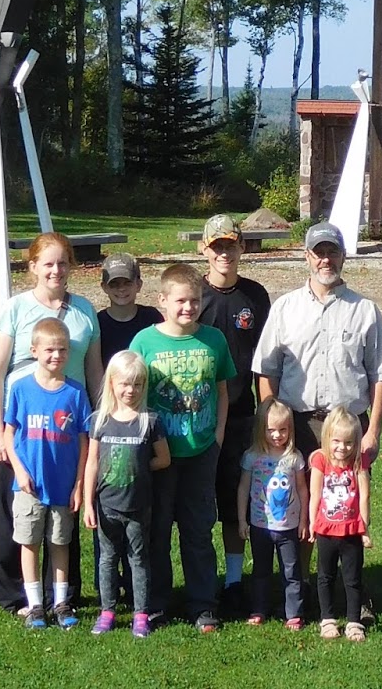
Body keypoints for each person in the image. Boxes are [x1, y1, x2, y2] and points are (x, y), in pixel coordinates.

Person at [0, 231, 102, 612]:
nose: (56, 270)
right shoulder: (16, 309)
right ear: (33, 266)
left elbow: (94, 371)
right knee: (16, 512)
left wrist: (101, 423)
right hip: (20, 425)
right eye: (48, 263)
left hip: (69, 427)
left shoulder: (84, 311)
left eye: (63, 262)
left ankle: (60, 595)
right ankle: (16, 594)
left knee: (65, 507)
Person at [130, 261, 235, 631]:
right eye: (180, 302)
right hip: (159, 457)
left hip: (201, 452)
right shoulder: (145, 342)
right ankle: (156, 603)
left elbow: (222, 392)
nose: (187, 308)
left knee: (198, 531)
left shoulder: (213, 340)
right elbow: (132, 396)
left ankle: (203, 604)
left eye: (194, 301)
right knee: (157, 531)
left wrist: (218, 436)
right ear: (162, 301)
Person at [252, 221, 382, 466]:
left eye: (333, 252)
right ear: (307, 256)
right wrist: (272, 424)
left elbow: (380, 375)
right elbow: (267, 371)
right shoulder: (285, 308)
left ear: (344, 256)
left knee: (347, 503)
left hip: (348, 429)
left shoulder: (365, 311)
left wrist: (373, 432)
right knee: (295, 502)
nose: (326, 260)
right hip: (297, 427)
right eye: (319, 253)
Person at [198, 213, 270, 616]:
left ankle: (235, 581)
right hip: (197, 420)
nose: (224, 253)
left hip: (243, 417)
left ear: (242, 248)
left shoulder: (256, 296)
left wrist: (266, 409)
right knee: (199, 505)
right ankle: (202, 577)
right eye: (216, 246)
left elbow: (264, 360)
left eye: (230, 245)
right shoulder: (194, 297)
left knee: (236, 505)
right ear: (204, 250)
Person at [3, 317, 91, 630]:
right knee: (29, 543)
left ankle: (61, 602)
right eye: (50, 350)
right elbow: (9, 435)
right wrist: (19, 470)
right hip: (28, 487)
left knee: (60, 543)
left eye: (62, 350)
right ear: (35, 350)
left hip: (62, 486)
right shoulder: (20, 388)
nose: (56, 355)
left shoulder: (75, 393)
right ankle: (35, 604)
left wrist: (79, 484)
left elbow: (84, 442)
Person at [83, 349, 170, 638]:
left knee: (138, 558)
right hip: (106, 504)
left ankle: (140, 614)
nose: (130, 390)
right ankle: (107, 611)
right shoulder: (100, 420)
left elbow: (164, 459)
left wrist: (139, 466)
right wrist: (87, 503)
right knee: (107, 559)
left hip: (139, 505)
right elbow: (92, 463)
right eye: (124, 383)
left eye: (137, 384)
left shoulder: (150, 420)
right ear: (111, 383)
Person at [237, 397, 308, 629]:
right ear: (261, 430)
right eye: (271, 430)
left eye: (282, 430)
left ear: (290, 430)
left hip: (288, 526)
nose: (277, 435)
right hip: (260, 525)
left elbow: (302, 490)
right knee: (260, 571)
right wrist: (241, 519)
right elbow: (243, 488)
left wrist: (304, 521)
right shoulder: (252, 457)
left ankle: (294, 613)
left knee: (292, 571)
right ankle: (259, 609)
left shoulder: (294, 459)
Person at [310, 406, 372, 642]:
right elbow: (315, 494)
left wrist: (364, 529)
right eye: (336, 441)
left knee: (352, 578)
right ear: (327, 439)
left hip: (351, 530)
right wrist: (312, 523)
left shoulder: (358, 462)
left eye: (348, 443)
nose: (342, 448)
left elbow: (364, 495)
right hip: (326, 529)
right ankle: (327, 619)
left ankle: (354, 622)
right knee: (325, 576)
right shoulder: (320, 460)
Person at [98, 252, 161, 364]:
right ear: (104, 287)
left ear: (139, 285)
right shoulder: (98, 322)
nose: (121, 289)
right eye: (114, 284)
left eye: (127, 283)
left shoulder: (151, 318)